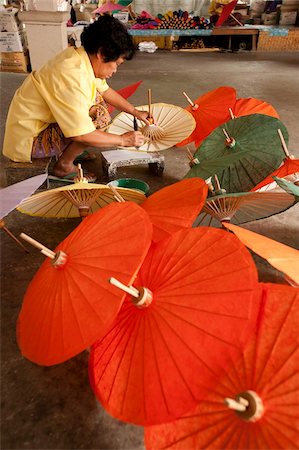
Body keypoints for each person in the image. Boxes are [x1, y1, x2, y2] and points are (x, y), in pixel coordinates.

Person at [3, 14, 149, 180]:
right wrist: (123, 140)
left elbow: (105, 91)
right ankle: (64, 165)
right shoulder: (72, 74)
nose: (115, 70)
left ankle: (70, 151)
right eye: (117, 64)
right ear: (102, 54)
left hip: (36, 124)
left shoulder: (81, 57)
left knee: (98, 101)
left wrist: (135, 112)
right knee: (99, 115)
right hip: (30, 140)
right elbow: (80, 134)